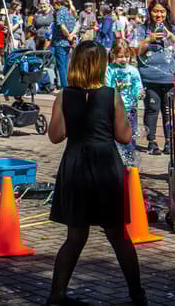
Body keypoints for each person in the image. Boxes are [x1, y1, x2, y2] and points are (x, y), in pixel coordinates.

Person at [46, 41, 145, 306]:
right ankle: (138, 295)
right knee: (117, 234)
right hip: (104, 164)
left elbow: (56, 136)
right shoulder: (110, 95)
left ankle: (56, 295)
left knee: (75, 236)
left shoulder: (64, 95)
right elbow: (124, 136)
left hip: (76, 163)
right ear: (100, 66)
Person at [134, 0, 175, 155]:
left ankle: (168, 142)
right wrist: (149, 39)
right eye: (155, 11)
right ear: (150, 12)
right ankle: (151, 142)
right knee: (152, 108)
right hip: (149, 76)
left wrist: (171, 37)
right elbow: (136, 51)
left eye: (162, 11)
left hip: (171, 77)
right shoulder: (142, 29)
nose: (158, 15)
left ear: (167, 13)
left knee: (169, 110)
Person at [105, 39, 143, 167]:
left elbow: (137, 86)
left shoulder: (133, 71)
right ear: (113, 55)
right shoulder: (110, 69)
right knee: (114, 137)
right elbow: (108, 86)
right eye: (120, 56)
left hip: (130, 108)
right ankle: (115, 162)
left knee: (130, 137)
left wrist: (139, 94)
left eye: (126, 56)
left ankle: (129, 164)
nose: (124, 59)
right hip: (114, 109)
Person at [51, 0, 76, 89]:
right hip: (67, 42)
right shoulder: (69, 12)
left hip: (60, 42)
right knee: (65, 64)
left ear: (58, 4)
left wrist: (68, 35)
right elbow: (76, 25)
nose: (53, 6)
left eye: (54, 4)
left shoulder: (60, 13)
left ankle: (65, 86)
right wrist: (71, 36)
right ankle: (67, 83)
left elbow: (62, 26)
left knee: (61, 65)